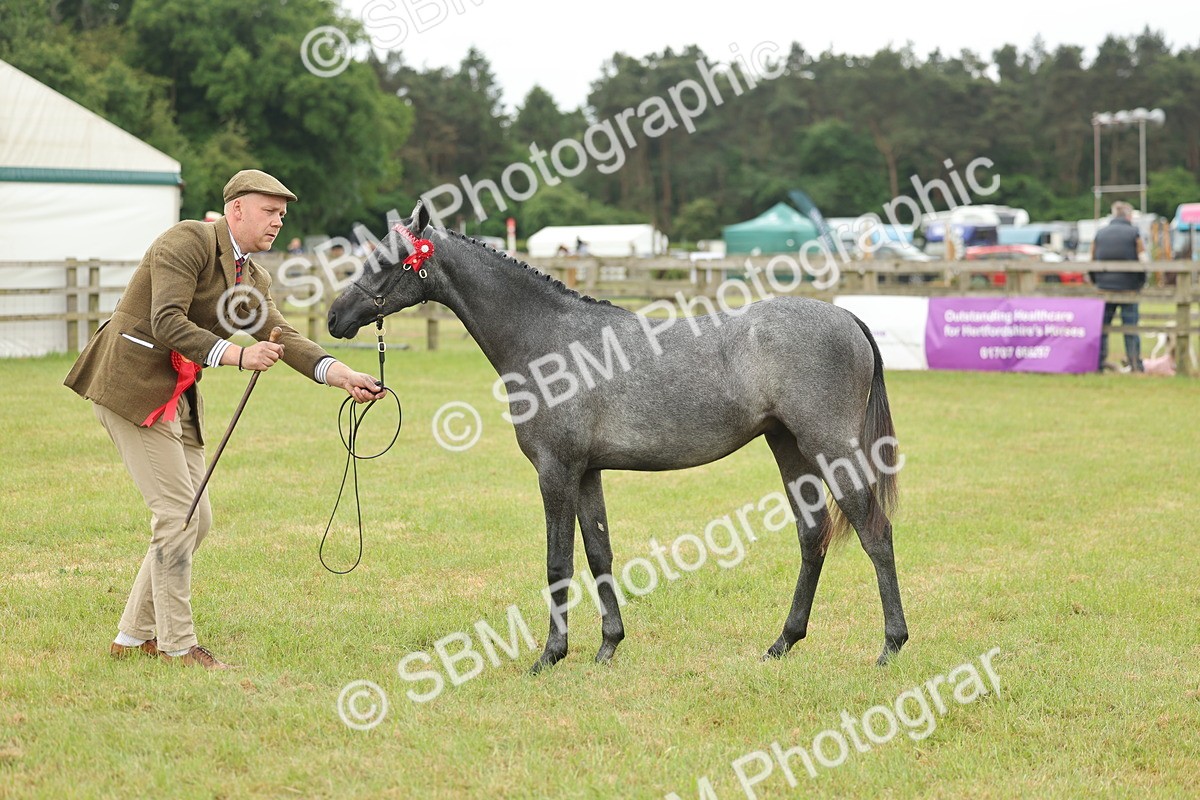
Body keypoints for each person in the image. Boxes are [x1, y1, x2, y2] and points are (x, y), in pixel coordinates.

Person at [64, 169, 386, 670]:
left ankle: (132, 637)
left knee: (197, 518)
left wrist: (340, 373)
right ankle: (176, 645)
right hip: (129, 385)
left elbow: (281, 334)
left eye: (282, 214)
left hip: (177, 394)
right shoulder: (186, 240)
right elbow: (166, 320)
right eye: (269, 210)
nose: (278, 221)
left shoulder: (252, 276)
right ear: (236, 208)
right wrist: (238, 356)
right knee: (177, 515)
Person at [1089, 200, 1147, 373]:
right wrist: (1140, 282)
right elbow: (1143, 261)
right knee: (1130, 328)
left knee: (1103, 328)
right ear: (1128, 216)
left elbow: (1091, 260)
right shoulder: (1134, 233)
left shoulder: (1100, 234)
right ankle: (1135, 364)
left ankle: (1099, 364)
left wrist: (1096, 282)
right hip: (1129, 288)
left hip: (1104, 288)